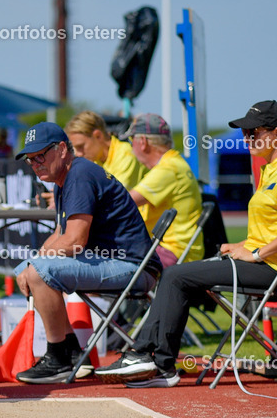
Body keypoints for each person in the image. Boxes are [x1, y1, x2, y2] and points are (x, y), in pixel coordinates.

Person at [95, 100, 277, 388]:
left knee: (175, 276)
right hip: (259, 261)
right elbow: (268, 230)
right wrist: (240, 245)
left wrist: (255, 253)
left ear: (275, 133)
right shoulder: (268, 170)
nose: (246, 139)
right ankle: (152, 359)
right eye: (244, 133)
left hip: (269, 268)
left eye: (253, 132)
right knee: (177, 277)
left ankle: (151, 360)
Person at [13, 121, 160, 384]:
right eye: (30, 159)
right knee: (34, 269)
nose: (35, 164)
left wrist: (34, 265)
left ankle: (58, 358)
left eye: (40, 156)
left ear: (61, 149)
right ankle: (70, 353)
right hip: (119, 262)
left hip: (134, 267)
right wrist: (30, 262)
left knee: (38, 273)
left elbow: (74, 242)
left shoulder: (79, 174)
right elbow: (60, 234)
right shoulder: (65, 179)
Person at [120, 113, 203, 267]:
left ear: (143, 142)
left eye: (131, 141)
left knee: (102, 260)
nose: (131, 148)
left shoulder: (168, 169)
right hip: (176, 250)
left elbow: (121, 203)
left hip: (171, 252)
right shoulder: (174, 163)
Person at [64, 110, 147, 190]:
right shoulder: (96, 159)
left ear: (98, 136)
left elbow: (115, 197)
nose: (78, 154)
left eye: (81, 146)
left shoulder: (126, 156)